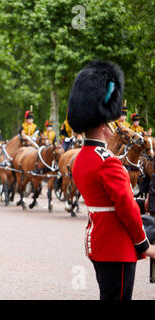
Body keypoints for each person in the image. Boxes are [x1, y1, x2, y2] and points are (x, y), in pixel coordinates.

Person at [68, 60, 155, 300]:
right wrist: (144, 245)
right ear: (105, 127)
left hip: (99, 242)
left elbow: (107, 200)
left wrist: (144, 205)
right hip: (118, 248)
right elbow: (124, 207)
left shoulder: (82, 158)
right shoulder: (108, 161)